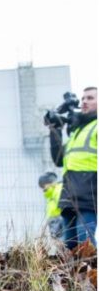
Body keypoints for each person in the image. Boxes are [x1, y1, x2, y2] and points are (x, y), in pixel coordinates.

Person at [48, 86, 97, 249]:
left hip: (89, 193)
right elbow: (59, 160)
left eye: (90, 98)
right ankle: (78, 274)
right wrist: (54, 130)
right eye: (83, 98)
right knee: (69, 246)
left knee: (85, 242)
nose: (84, 102)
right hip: (70, 194)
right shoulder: (77, 132)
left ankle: (94, 273)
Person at [38, 171, 64, 239]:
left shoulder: (57, 190)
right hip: (53, 219)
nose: (43, 188)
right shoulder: (50, 193)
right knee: (57, 239)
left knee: (61, 240)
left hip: (59, 218)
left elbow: (62, 204)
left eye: (43, 185)